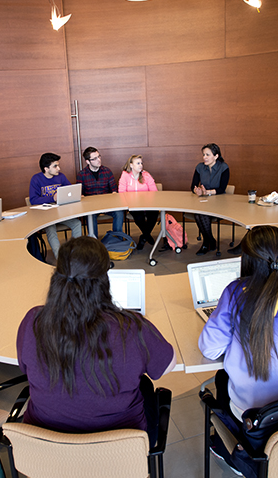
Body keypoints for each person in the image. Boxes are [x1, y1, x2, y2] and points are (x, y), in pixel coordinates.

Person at [16, 236, 176, 444]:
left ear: (57, 277)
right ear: (104, 279)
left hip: (46, 443)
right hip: (120, 447)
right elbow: (166, 367)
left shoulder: (33, 322)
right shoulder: (131, 327)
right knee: (144, 383)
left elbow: (23, 368)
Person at [199, 225, 278, 426]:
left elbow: (210, 349)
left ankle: (225, 443)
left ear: (246, 258)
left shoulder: (235, 294)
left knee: (221, 379)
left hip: (255, 412)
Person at [29, 153, 82, 259]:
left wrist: (75, 194)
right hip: (46, 217)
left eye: (58, 165)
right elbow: (33, 200)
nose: (59, 168)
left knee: (77, 224)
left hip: (61, 214)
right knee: (51, 230)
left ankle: (75, 255)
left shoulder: (61, 177)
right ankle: (60, 259)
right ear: (46, 168)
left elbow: (69, 191)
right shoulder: (36, 179)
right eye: (55, 166)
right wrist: (52, 198)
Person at [76, 147, 124, 238]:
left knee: (119, 212)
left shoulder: (107, 171)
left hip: (107, 204)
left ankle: (118, 240)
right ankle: (95, 243)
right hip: (91, 207)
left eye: (99, 157)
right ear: (87, 161)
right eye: (94, 159)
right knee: (90, 217)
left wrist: (113, 197)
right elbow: (79, 194)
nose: (98, 160)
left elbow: (114, 191)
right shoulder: (81, 174)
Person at [191, 143, 230, 255]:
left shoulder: (224, 167)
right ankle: (209, 241)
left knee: (201, 214)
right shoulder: (199, 167)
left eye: (208, 155)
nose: (204, 157)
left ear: (216, 156)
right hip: (203, 201)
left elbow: (222, 189)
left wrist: (208, 192)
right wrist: (197, 191)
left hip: (219, 202)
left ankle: (207, 242)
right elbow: (193, 185)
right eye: (203, 155)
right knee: (198, 213)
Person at [118, 155, 158, 250]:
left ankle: (144, 236)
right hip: (133, 205)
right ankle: (147, 235)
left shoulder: (146, 175)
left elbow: (154, 191)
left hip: (148, 204)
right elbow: (121, 192)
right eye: (138, 163)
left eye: (141, 163)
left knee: (154, 214)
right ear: (131, 165)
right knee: (138, 217)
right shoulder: (125, 175)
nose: (141, 165)